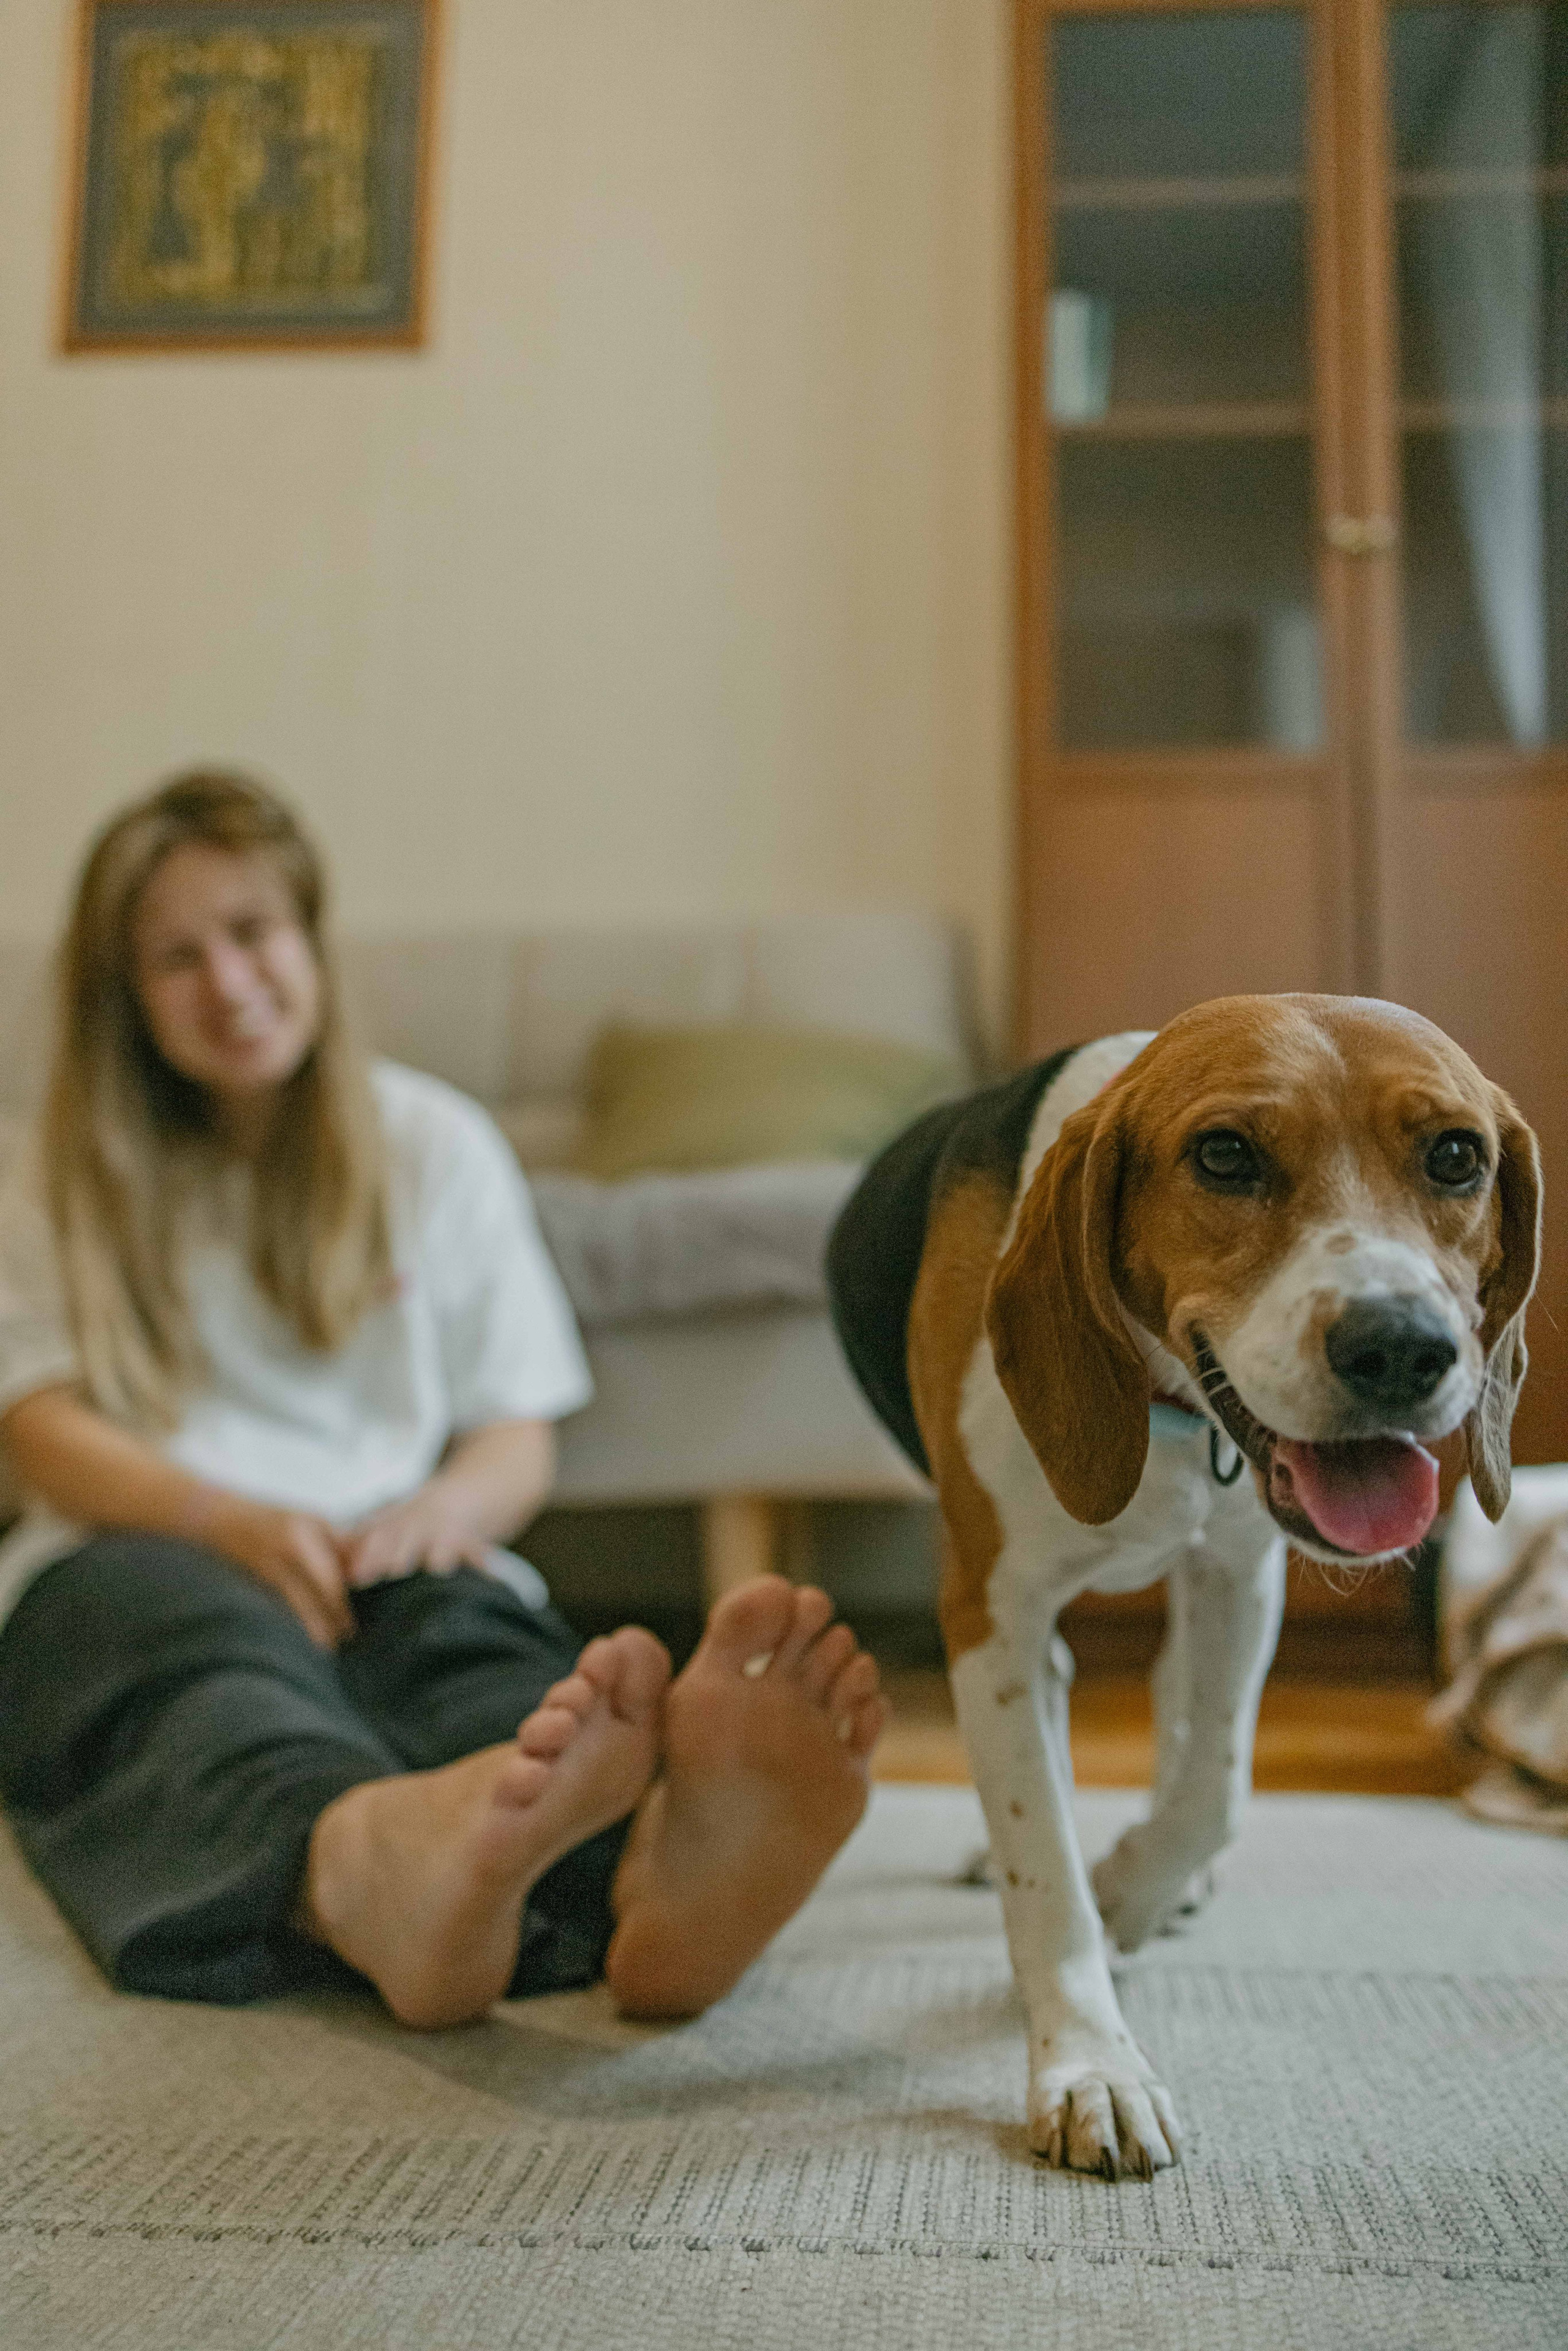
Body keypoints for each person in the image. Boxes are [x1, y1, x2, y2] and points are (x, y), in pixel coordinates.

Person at [0, 772, 884, 2027]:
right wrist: (223, 1519)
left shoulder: (436, 1142)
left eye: (251, 933)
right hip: (136, 1552)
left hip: (385, 1539)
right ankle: (369, 1861)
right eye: (176, 957)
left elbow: (513, 1428)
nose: (230, 982)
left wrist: (439, 1510)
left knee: (489, 1673)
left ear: (309, 935)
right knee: (216, 1684)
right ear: (127, 999)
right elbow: (36, 1426)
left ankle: (649, 1873)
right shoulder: (45, 1173)